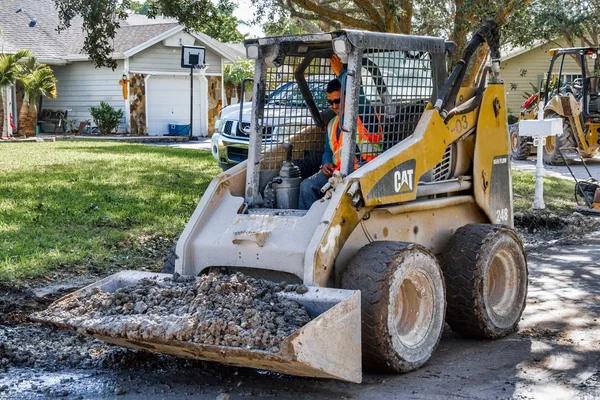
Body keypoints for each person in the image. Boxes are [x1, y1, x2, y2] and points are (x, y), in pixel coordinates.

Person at [298, 56, 382, 210]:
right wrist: (327, 162)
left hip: (364, 173)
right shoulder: (332, 124)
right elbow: (328, 150)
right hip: (338, 174)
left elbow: (360, 97)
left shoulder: (366, 115)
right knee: (306, 186)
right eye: (330, 102)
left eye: (337, 100)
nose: (334, 106)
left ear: (348, 97)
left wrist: (341, 73)